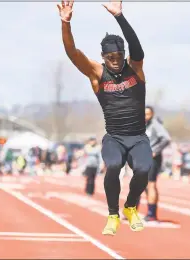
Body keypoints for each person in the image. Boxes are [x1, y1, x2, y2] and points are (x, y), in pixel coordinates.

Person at [58, 0, 153, 235]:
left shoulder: (136, 70)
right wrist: (66, 23)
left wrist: (119, 16)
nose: (116, 59)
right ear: (103, 56)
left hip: (138, 137)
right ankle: (113, 214)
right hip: (115, 138)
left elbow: (137, 49)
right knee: (112, 165)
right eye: (111, 56)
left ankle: (130, 207)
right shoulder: (96, 74)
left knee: (143, 170)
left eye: (119, 55)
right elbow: (72, 52)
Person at [141, 106, 171, 221]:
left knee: (151, 184)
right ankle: (149, 211)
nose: (145, 116)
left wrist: (155, 151)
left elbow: (166, 139)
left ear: (152, 114)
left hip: (153, 159)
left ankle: (151, 213)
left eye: (148, 114)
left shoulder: (155, 125)